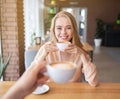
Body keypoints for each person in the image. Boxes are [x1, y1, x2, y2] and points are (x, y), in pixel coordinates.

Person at [33, 11, 99, 87]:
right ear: (53, 30)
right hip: (51, 92)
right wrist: (42, 55)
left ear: (73, 30)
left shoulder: (80, 51)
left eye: (68, 28)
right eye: (59, 28)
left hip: (74, 93)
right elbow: (31, 77)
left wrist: (82, 55)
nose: (63, 32)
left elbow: (94, 82)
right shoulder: (46, 48)